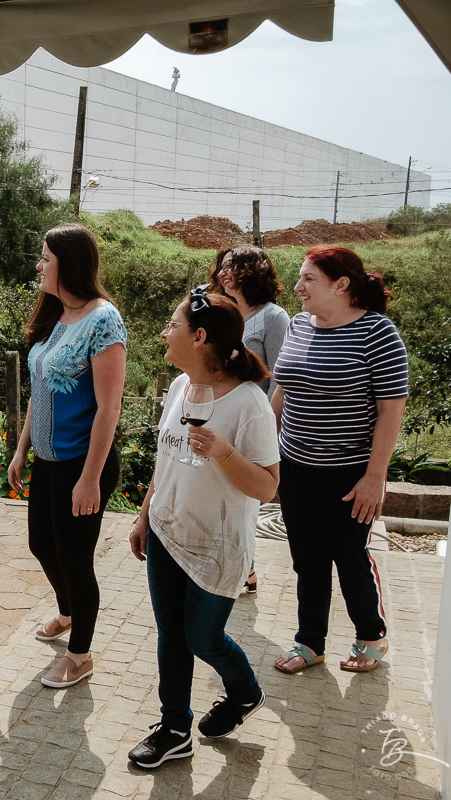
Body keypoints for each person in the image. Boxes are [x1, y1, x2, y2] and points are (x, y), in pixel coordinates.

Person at [126, 287, 280, 769]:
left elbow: (267, 487)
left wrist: (223, 452)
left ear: (199, 336)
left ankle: (245, 692)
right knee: (171, 634)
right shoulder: (178, 388)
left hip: (217, 544)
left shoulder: (249, 404)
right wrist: (145, 514)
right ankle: (174, 729)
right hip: (169, 534)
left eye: (172, 326)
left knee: (202, 638)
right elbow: (166, 460)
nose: (164, 333)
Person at [271, 245, 408, 674]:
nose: (298, 287)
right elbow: (281, 392)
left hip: (350, 472)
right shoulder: (297, 325)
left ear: (341, 285)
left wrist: (374, 477)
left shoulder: (377, 333)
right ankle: (309, 642)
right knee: (306, 558)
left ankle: (371, 634)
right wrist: (263, 451)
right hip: (295, 464)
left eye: (308, 279)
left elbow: (391, 410)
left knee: (349, 557)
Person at [6, 223, 126, 689]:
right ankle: (69, 611)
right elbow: (40, 390)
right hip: (48, 461)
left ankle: (80, 656)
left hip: (83, 463)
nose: (39, 265)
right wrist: (21, 449)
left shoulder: (103, 320)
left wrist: (91, 477)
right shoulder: (59, 316)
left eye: (45, 258)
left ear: (68, 264)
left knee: (76, 560)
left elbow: (108, 407)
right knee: (42, 546)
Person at [210, 244, 290, 593]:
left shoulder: (274, 317)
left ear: (253, 273)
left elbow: (280, 378)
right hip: (220, 414)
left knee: (244, 495)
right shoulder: (225, 312)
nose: (223, 273)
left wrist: (271, 426)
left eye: (233, 267)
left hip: (255, 419)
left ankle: (242, 566)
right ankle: (245, 569)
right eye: (222, 267)